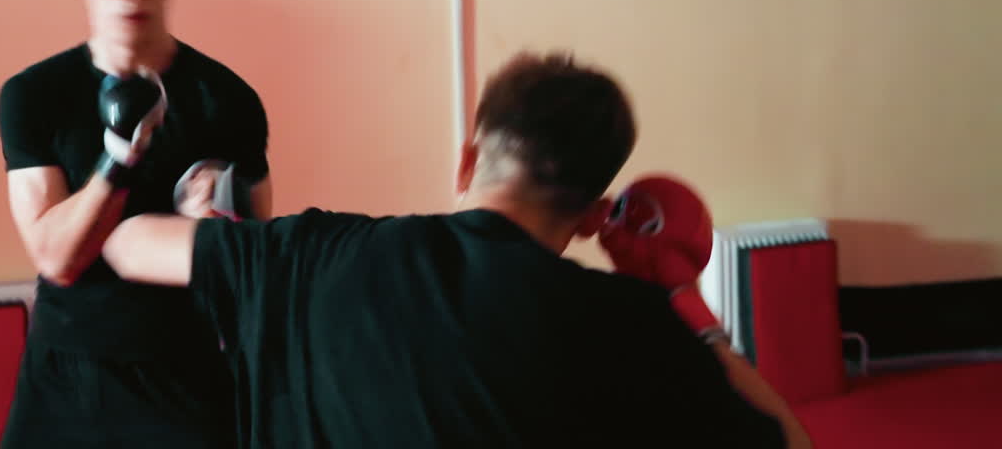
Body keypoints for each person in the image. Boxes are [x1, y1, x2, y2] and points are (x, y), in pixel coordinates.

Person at [101, 51, 812, 448]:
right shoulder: (629, 322)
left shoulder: (306, 253)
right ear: (597, 215)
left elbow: (128, 246)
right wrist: (680, 297)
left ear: (466, 161)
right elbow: (789, 442)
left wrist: (219, 227)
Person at [0, 0, 272, 448]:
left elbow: (254, 261)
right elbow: (57, 257)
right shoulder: (33, 96)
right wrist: (120, 156)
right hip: (68, 367)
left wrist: (218, 219)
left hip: (185, 370)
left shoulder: (229, 99)